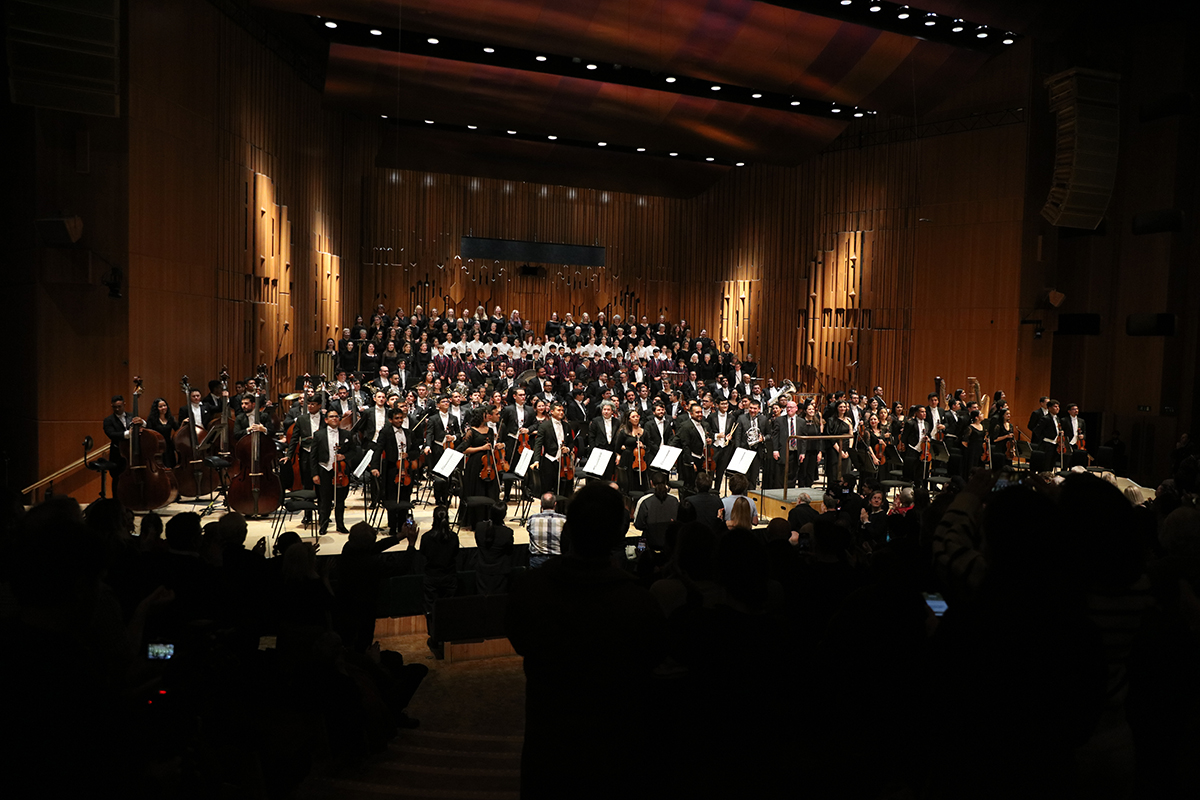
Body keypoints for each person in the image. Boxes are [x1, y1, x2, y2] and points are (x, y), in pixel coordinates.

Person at [506, 483, 667, 800]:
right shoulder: (640, 602)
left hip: (550, 745)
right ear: (617, 536)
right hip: (616, 749)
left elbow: (521, 640)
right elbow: (653, 659)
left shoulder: (530, 590)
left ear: (570, 529)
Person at [311, 408, 357, 534]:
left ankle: (340, 525)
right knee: (325, 500)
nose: (334, 418)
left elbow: (354, 451)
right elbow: (313, 456)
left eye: (336, 416)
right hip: (325, 469)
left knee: (340, 500)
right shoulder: (318, 435)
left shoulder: (346, 434)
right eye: (331, 416)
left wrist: (344, 457)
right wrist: (315, 474)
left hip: (341, 471)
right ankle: (324, 525)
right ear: (326, 420)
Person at [420, 505, 459, 651]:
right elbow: (455, 554)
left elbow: (423, 554)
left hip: (432, 578)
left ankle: (435, 637)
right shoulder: (453, 537)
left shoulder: (426, 538)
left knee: (431, 609)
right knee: (448, 608)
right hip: (449, 577)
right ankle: (447, 637)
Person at [457, 405, 502, 527]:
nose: (488, 416)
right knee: (477, 490)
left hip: (489, 464)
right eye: (485, 414)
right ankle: (476, 520)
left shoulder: (490, 430)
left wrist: (497, 447)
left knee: (490, 491)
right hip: (475, 465)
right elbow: (463, 450)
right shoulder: (471, 431)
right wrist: (481, 448)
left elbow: (491, 447)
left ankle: (491, 518)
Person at [474, 502, 514, 595]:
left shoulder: (479, 527)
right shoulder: (507, 532)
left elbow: (478, 543)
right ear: (504, 515)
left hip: (482, 570)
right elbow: (509, 550)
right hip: (499, 572)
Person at [526, 492, 566, 568]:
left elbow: (529, 531)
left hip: (537, 560)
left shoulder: (532, 519)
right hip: (557, 559)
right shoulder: (563, 519)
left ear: (541, 503)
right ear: (555, 504)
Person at [145, 397, 178, 468]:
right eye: (160, 406)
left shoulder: (170, 419)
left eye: (164, 405)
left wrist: (184, 423)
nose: (163, 408)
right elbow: (149, 435)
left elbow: (178, 430)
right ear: (156, 408)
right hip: (157, 447)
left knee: (170, 467)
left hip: (169, 447)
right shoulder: (152, 420)